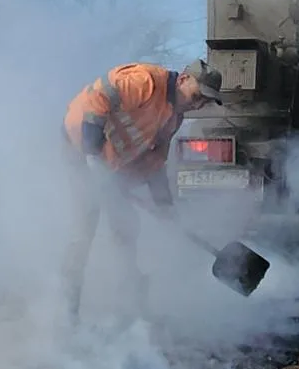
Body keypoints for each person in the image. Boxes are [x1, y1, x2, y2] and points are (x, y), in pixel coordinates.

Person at [60, 59, 224, 321]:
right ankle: (66, 310)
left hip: (112, 166)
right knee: (85, 229)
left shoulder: (173, 118)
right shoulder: (145, 81)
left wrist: (165, 206)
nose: (198, 104)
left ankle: (128, 309)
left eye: (205, 102)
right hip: (81, 152)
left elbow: (154, 163)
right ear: (183, 80)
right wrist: (92, 154)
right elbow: (98, 99)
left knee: (126, 228)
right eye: (197, 96)